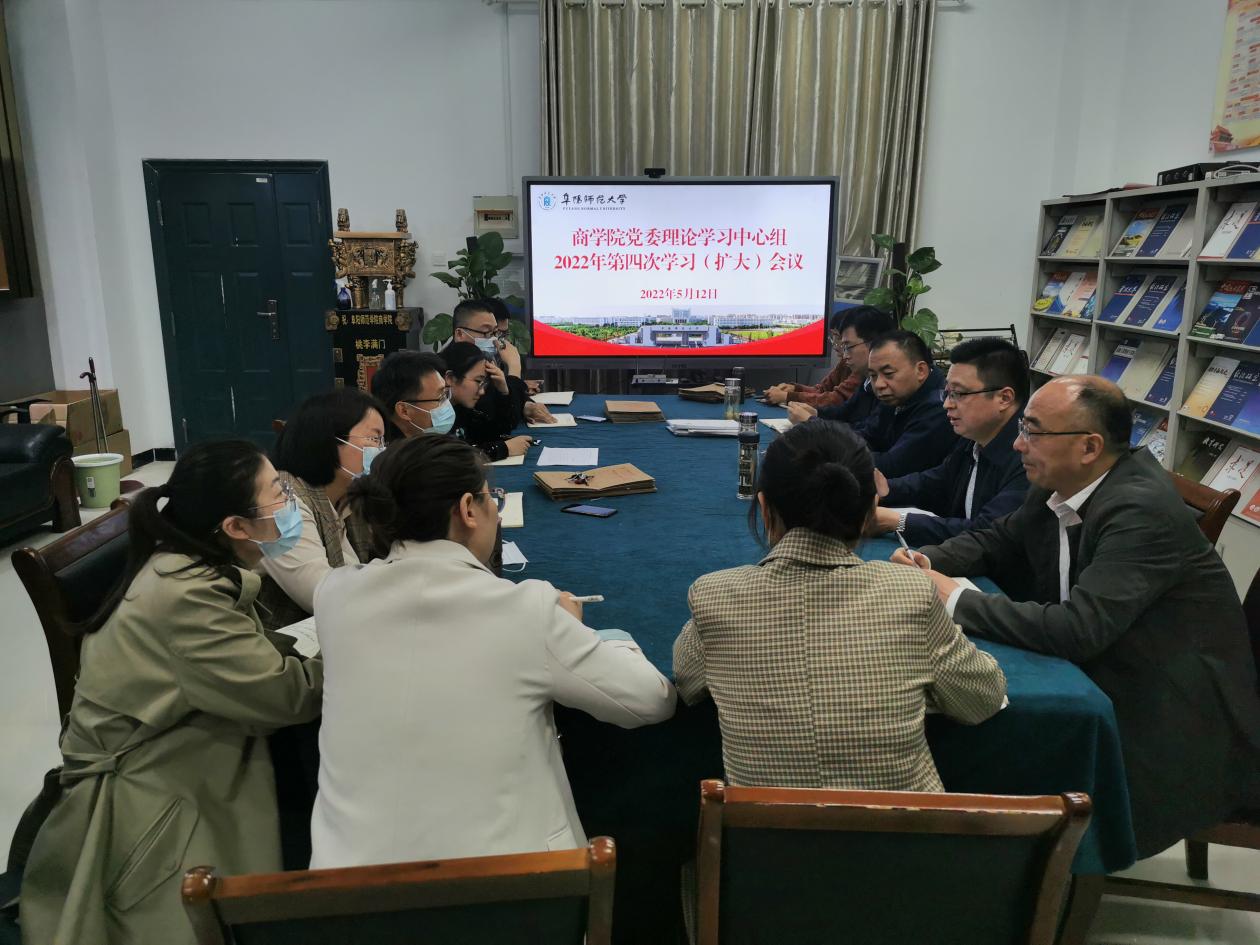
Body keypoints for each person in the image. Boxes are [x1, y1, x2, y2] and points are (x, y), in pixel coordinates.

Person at [893, 375, 1260, 857]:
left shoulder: (1141, 510)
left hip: (1169, 717)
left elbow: (1077, 630)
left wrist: (953, 599)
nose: (1018, 444)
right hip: (1110, 670)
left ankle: (1014, 871)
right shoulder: (1064, 482)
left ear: (1089, 447)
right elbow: (996, 540)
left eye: (1033, 431)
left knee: (978, 731)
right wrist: (925, 562)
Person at [309, 435, 676, 867]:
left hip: (347, 888)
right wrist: (580, 631)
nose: (496, 512)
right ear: (468, 509)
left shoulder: (334, 595)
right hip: (512, 887)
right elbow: (652, 701)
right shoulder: (527, 610)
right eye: (491, 499)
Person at [20, 441, 323, 945]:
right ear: (235, 527)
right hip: (146, 792)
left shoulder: (191, 562)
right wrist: (355, 651)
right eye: (277, 493)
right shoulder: (185, 595)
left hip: (178, 739)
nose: (289, 504)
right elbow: (284, 697)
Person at [672, 420, 1006, 793]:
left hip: (760, 832)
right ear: (870, 511)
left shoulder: (714, 595)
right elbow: (982, 699)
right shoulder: (911, 591)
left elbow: (688, 684)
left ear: (764, 508)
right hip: (906, 829)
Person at [868, 337, 1029, 544]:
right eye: (947, 393)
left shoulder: (1029, 457)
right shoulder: (973, 438)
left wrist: (897, 521)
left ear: (1004, 398)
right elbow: (937, 481)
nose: (946, 404)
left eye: (958, 394)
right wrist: (884, 489)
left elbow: (986, 532)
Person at [256, 388, 385, 630]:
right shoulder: (283, 497)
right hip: (280, 641)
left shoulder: (348, 497)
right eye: (374, 439)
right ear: (329, 440)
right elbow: (320, 592)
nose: (381, 450)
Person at [823, 330, 958, 478]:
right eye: (873, 375)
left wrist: (830, 454)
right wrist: (821, 439)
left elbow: (893, 466)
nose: (879, 384)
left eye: (888, 374)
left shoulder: (939, 409)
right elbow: (868, 435)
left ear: (920, 370)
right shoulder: (898, 395)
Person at [785, 306, 895, 425]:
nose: (845, 355)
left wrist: (811, 421)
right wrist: (816, 414)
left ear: (875, 344)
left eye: (848, 347)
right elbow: (844, 412)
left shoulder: (889, 391)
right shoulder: (867, 381)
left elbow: (866, 432)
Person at [453, 298, 555, 425]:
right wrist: (514, 368)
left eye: (500, 334)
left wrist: (525, 403)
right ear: (460, 334)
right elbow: (503, 420)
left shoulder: (488, 359)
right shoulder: (449, 369)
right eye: (487, 333)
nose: (496, 340)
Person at [442, 341, 534, 461]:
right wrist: (503, 449)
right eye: (478, 381)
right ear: (450, 378)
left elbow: (494, 431)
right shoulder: (435, 414)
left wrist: (503, 392)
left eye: (483, 383)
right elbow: (449, 457)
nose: (482, 391)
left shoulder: (461, 408)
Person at [763, 307, 860, 408]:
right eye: (833, 337)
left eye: (839, 338)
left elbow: (835, 400)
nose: (835, 345)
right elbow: (821, 390)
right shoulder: (845, 362)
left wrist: (787, 396)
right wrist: (794, 388)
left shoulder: (860, 369)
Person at [371, 350, 453, 442]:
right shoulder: (390, 450)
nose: (447, 404)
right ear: (404, 411)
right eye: (440, 398)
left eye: (445, 394)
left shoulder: (428, 443)